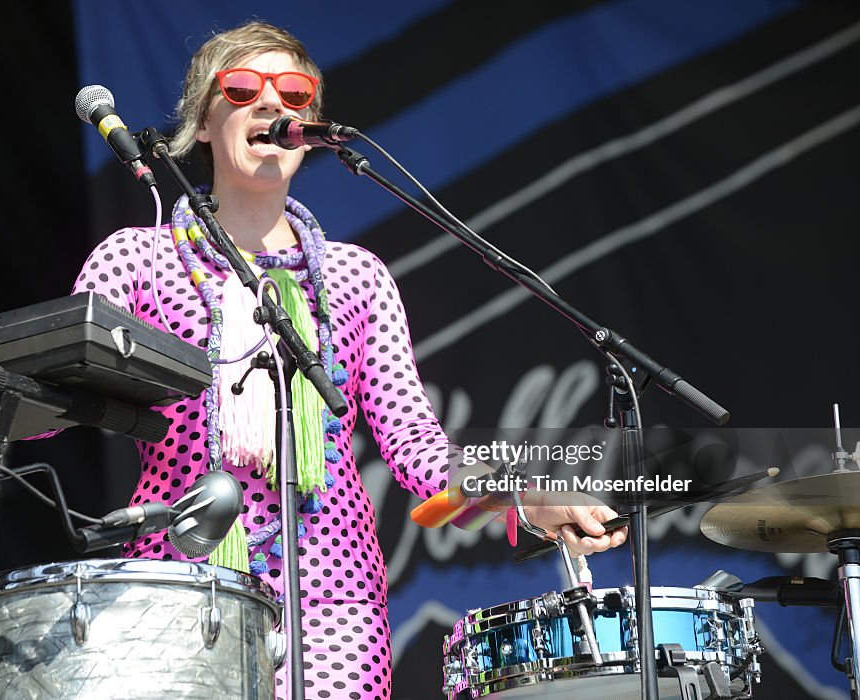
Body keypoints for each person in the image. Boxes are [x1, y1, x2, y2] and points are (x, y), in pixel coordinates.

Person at [71, 20, 627, 700]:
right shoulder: (138, 260)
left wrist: (523, 493)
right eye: (243, 89)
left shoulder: (354, 278)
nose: (273, 105)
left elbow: (416, 447)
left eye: (295, 93)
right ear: (203, 124)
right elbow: (59, 388)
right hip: (179, 581)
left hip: (335, 599)